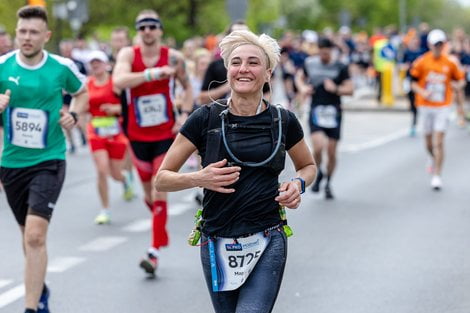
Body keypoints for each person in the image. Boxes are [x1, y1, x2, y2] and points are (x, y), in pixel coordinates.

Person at [154, 30, 316, 313]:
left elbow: (308, 166)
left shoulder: (283, 120)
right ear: (227, 70)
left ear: (267, 73)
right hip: (217, 239)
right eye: (236, 62)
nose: (243, 69)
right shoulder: (205, 118)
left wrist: (298, 184)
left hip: (267, 236)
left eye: (253, 63)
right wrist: (198, 178)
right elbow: (162, 179)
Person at [0, 6, 88, 313]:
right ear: (15, 33)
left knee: (36, 235)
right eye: (22, 31)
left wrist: (74, 115)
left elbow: (82, 92)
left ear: (46, 36)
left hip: (50, 159)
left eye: (33, 32)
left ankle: (30, 306)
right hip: (11, 163)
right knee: (28, 236)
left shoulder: (60, 67)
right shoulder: (2, 66)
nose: (26, 37)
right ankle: (41, 288)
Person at [113, 9, 193, 276]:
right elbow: (119, 81)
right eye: (142, 26)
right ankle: (161, 228)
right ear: (138, 31)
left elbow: (187, 86)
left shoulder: (173, 57)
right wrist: (152, 74)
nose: (147, 31)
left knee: (160, 190)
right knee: (149, 195)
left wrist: (183, 115)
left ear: (160, 29)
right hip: (136, 135)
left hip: (165, 135)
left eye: (152, 26)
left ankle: (154, 251)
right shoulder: (128, 54)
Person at [295, 37, 353, 199]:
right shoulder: (310, 63)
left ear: (331, 51)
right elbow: (299, 77)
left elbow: (350, 89)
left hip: (334, 111)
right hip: (316, 110)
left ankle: (328, 182)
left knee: (332, 151)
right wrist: (303, 87)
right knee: (318, 146)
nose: (323, 57)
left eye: (326, 54)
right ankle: (318, 171)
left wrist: (335, 89)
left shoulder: (340, 66)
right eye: (321, 53)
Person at [410, 29, 465, 190]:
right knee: (428, 143)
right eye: (436, 44)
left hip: (442, 106)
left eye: (441, 44)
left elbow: (460, 80)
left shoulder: (450, 62)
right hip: (425, 105)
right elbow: (412, 83)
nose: (438, 47)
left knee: (439, 141)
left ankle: (437, 175)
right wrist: (422, 92)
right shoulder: (421, 62)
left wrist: (457, 86)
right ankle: (432, 158)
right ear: (429, 45)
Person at [85, 50, 134, 224]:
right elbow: (83, 107)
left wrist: (115, 110)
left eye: (98, 61)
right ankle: (105, 210)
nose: (95, 65)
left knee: (115, 174)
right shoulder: (87, 84)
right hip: (96, 132)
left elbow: (130, 107)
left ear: (106, 64)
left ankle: (125, 179)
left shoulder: (115, 83)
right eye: (92, 63)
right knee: (101, 170)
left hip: (115, 132)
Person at [198, 20, 248, 105]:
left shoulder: (256, 66)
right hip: (221, 114)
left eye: (246, 35)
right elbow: (202, 98)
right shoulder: (215, 66)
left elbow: (267, 93)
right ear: (228, 39)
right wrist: (227, 87)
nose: (241, 39)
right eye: (237, 35)